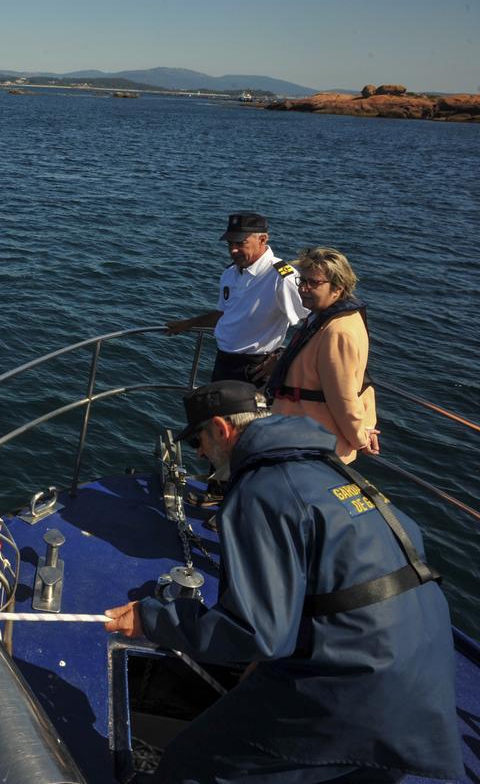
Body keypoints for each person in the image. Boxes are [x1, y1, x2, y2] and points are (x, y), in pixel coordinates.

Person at [103, 381, 462, 783]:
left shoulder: (261, 491)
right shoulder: (329, 470)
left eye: (200, 439)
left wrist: (154, 620)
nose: (200, 453)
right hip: (426, 680)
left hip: (350, 688)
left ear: (222, 429)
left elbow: (256, 630)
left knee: (192, 764)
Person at [265, 246, 379, 463]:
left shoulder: (338, 332)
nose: (304, 289)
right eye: (302, 281)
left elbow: (343, 398)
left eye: (313, 283)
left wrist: (360, 438)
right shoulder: (322, 319)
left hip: (313, 446)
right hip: (299, 437)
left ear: (338, 288)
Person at [167, 212, 308, 386]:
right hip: (224, 361)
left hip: (256, 368)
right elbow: (225, 313)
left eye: (240, 243)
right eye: (230, 243)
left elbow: (312, 321)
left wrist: (282, 358)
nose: (233, 250)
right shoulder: (230, 273)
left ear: (263, 240)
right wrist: (187, 324)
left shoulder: (281, 276)